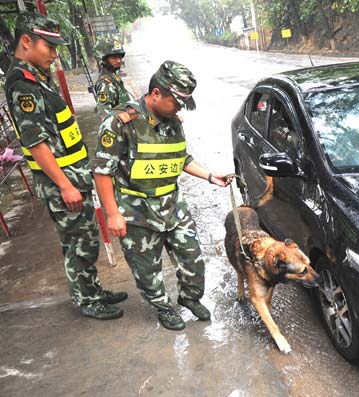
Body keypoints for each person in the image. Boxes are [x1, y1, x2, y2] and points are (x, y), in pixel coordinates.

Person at [4, 12, 127, 320]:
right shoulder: (23, 85)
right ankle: (87, 301)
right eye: (50, 46)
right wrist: (65, 185)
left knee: (84, 239)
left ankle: (93, 290)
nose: (55, 54)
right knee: (78, 244)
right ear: (27, 41)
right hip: (63, 183)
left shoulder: (36, 76)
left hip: (74, 175)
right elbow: (36, 142)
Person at [93, 61, 233, 331]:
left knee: (193, 258)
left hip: (173, 206)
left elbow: (181, 157)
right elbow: (102, 171)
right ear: (156, 94)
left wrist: (210, 176)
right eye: (176, 102)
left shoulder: (172, 121)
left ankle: (189, 298)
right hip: (137, 213)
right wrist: (112, 214)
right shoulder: (120, 123)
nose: (179, 109)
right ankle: (164, 308)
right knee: (147, 270)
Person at [93, 35, 131, 119]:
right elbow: (105, 116)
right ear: (104, 59)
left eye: (120, 57)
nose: (118, 61)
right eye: (114, 57)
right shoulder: (105, 83)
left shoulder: (114, 77)